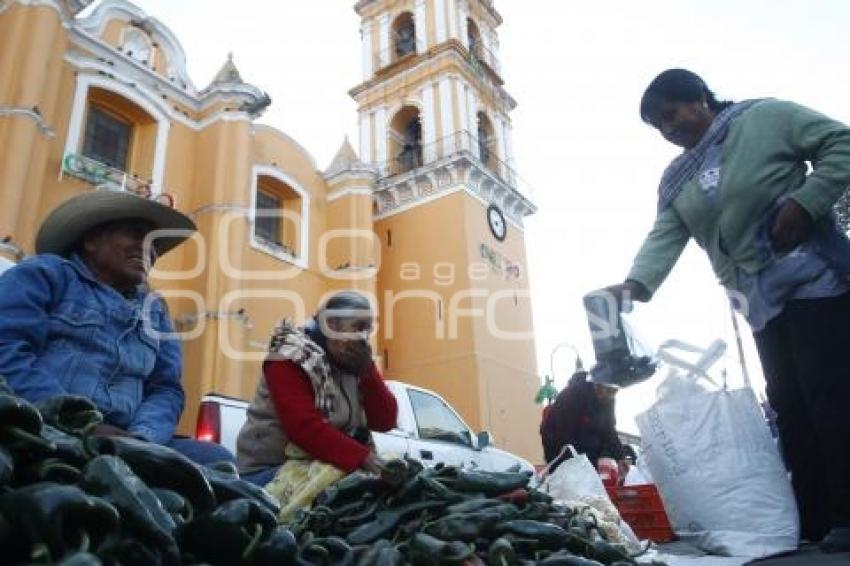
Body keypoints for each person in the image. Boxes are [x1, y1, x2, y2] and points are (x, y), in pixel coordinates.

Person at [606, 68, 850, 552]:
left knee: (830, 395)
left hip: (814, 278)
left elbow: (841, 144)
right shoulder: (678, 180)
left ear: (700, 98)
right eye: (657, 125)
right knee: (789, 406)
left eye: (670, 114)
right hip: (758, 301)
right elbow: (665, 236)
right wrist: (635, 284)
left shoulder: (766, 118)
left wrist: (807, 201)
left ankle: (847, 511)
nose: (667, 130)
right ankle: (815, 517)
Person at [0, 190, 234, 466]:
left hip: (126, 438)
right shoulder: (46, 274)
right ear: (90, 240)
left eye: (154, 245)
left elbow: (167, 389)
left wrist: (140, 440)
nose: (148, 250)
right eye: (136, 235)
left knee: (215, 459)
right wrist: (80, 423)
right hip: (40, 421)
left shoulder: (156, 312)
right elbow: (8, 351)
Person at [236, 291, 398, 518]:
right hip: (271, 472)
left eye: (368, 329)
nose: (364, 337)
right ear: (331, 324)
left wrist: (368, 371)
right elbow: (304, 428)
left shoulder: (353, 362)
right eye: (358, 327)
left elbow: (386, 420)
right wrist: (363, 458)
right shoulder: (289, 357)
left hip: (324, 466)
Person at [540, 369, 628, 479]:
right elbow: (563, 435)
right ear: (598, 384)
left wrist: (620, 456)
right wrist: (577, 465)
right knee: (572, 487)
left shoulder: (608, 400)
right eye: (609, 391)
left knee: (591, 487)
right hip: (562, 453)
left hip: (589, 456)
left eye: (614, 392)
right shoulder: (572, 395)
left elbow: (609, 429)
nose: (610, 396)